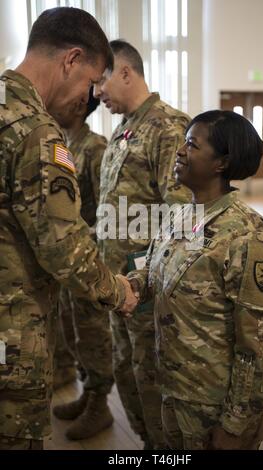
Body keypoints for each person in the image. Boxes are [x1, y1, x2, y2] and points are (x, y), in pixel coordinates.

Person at [0, 8, 137, 451]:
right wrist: (118, 291)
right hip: (12, 329)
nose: (90, 96)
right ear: (70, 60)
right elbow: (62, 247)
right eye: (90, 81)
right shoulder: (36, 133)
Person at [128, 110, 263, 450]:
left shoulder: (246, 234)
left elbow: (259, 344)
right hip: (174, 390)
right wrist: (129, 287)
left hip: (212, 407)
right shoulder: (181, 215)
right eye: (184, 142)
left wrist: (236, 423)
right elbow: (153, 271)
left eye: (192, 145)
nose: (180, 152)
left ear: (221, 163)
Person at [93, 39, 191, 449]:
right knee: (128, 372)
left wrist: (147, 279)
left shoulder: (168, 127)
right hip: (119, 284)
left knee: (152, 378)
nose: (96, 93)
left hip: (147, 288)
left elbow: (183, 218)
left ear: (125, 73)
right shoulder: (124, 127)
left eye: (100, 82)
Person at [52, 88, 115, 440]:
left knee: (92, 333)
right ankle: (87, 392)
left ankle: (99, 404)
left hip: (89, 259)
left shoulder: (95, 149)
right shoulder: (61, 146)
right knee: (72, 329)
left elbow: (106, 213)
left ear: (77, 106)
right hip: (67, 259)